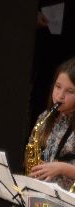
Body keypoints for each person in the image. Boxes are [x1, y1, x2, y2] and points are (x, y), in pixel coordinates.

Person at [29, 56, 75, 190]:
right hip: (41, 192)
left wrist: (62, 168)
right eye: (58, 87)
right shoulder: (44, 117)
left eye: (70, 91)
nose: (60, 96)